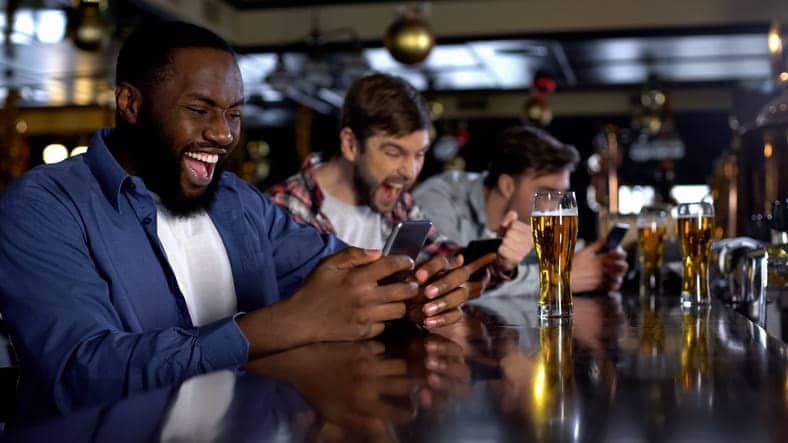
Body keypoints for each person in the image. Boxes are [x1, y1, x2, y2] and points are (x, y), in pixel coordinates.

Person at [0, 21, 481, 418]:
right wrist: (280, 326)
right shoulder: (44, 205)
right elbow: (79, 375)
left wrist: (414, 292)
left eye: (232, 113)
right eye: (199, 109)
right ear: (130, 104)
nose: (222, 133)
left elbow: (349, 275)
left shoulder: (235, 199)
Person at [267, 73, 532, 288]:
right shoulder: (283, 209)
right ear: (350, 144)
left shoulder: (398, 204)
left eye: (419, 154)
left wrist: (499, 257)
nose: (409, 171)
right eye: (394, 152)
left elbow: (451, 263)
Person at [413, 125, 628, 296]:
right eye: (547, 193)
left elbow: (530, 275)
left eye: (561, 196)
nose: (556, 207)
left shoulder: (533, 224)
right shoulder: (438, 198)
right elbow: (450, 285)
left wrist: (597, 270)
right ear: (507, 185)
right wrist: (557, 279)